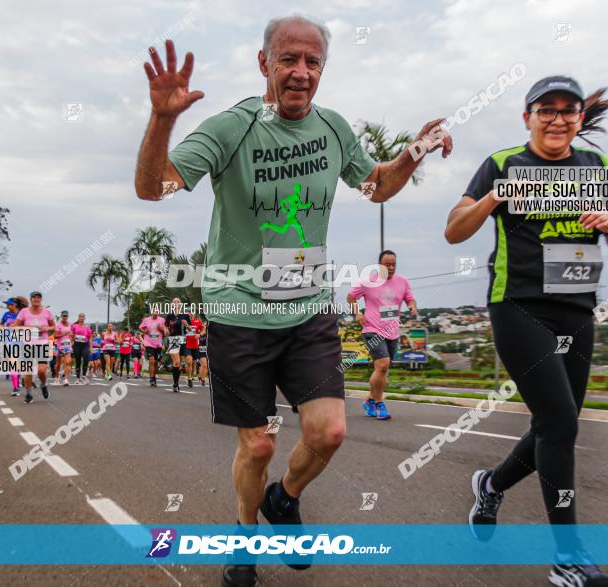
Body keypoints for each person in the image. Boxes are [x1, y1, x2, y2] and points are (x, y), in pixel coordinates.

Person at [135, 16, 451, 586]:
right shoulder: (231, 128)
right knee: (256, 446)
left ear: (322, 70)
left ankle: (286, 498)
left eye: (312, 63)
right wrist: (161, 120)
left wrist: (411, 154)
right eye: (288, 60)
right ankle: (244, 538)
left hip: (308, 306)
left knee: (329, 432)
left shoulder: (332, 128)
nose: (300, 73)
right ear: (265, 65)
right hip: (239, 308)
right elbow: (152, 186)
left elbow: (374, 184)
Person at [445, 76, 608, 587]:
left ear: (578, 119)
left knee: (557, 424)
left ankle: (491, 485)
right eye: (545, 110)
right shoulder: (503, 164)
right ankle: (568, 557)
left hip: (577, 307)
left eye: (567, 111)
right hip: (519, 306)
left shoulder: (599, 168)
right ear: (527, 117)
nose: (557, 119)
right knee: (559, 424)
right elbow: (454, 228)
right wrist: (494, 200)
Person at [347, 250, 417, 420]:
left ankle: (370, 400)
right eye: (387, 264)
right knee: (383, 365)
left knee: (383, 370)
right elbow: (350, 297)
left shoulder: (402, 282)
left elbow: (410, 298)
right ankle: (379, 404)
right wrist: (358, 314)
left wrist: (412, 306)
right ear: (379, 265)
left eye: (394, 264)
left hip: (392, 332)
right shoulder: (367, 282)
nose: (391, 267)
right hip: (372, 329)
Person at [11, 291, 55, 403]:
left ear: (41, 299)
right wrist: (26, 329)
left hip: (42, 345)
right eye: (34, 297)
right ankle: (29, 393)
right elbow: (14, 326)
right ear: (31, 300)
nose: (36, 299)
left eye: (38, 297)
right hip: (27, 345)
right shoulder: (24, 312)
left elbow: (53, 326)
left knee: (42, 371)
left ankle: (43, 385)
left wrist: (47, 329)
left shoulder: (47, 312)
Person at [164, 298, 189, 392]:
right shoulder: (169, 315)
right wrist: (165, 330)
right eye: (174, 301)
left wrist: (187, 324)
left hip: (182, 339)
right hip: (173, 339)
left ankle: (176, 383)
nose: (176, 303)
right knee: (177, 362)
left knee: (177, 364)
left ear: (181, 304)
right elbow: (165, 326)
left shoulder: (185, 315)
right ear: (172, 304)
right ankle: (175, 384)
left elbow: (190, 329)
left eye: (178, 302)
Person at [139, 307, 166, 387]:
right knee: (151, 360)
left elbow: (165, 332)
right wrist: (144, 331)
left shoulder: (162, 320)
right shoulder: (146, 320)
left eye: (157, 311)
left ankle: (154, 376)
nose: (156, 312)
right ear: (152, 312)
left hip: (158, 344)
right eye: (154, 311)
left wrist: (161, 329)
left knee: (156, 362)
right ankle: (151, 379)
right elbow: (140, 327)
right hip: (149, 343)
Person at [183, 311, 205, 388]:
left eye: (191, 312)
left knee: (193, 363)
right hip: (186, 345)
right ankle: (189, 379)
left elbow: (204, 329)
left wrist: (200, 334)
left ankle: (190, 377)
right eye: (187, 312)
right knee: (189, 361)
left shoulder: (197, 321)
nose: (189, 314)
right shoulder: (183, 321)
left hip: (195, 345)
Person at [70, 313, 92, 384]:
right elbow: (71, 335)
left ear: (84, 318)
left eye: (82, 316)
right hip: (77, 344)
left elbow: (90, 337)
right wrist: (71, 341)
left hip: (85, 345)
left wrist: (91, 347)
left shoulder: (87, 327)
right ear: (78, 318)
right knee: (78, 361)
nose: (81, 318)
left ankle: (84, 376)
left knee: (86, 358)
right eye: (80, 316)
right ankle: (77, 378)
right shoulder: (74, 326)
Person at [54, 310, 73, 386]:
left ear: (68, 316)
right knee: (58, 364)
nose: (65, 317)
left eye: (66, 316)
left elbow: (71, 334)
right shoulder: (58, 325)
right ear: (61, 316)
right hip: (59, 345)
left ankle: (65, 379)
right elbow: (55, 336)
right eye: (63, 316)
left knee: (68, 361)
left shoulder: (70, 325)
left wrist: (71, 340)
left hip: (67, 346)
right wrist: (63, 334)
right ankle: (57, 376)